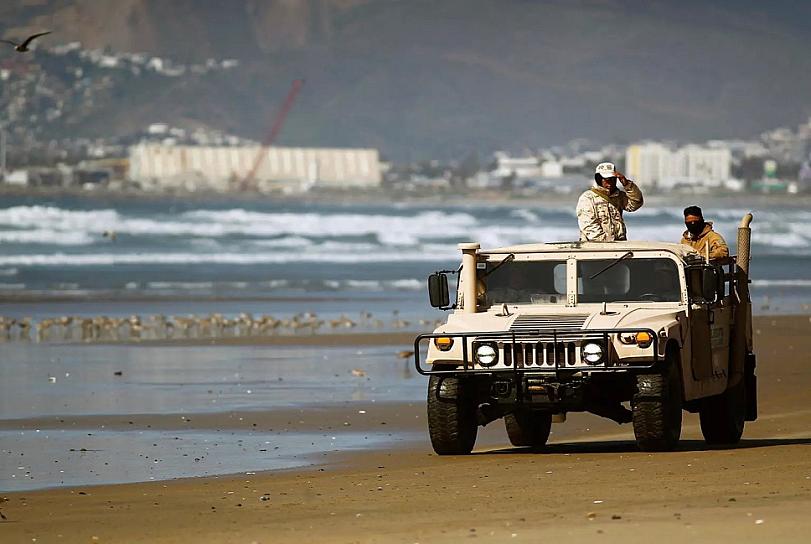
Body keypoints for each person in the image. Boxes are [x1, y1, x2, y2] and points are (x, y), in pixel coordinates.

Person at [576, 162, 644, 242]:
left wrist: (627, 184)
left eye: (613, 179)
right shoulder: (588, 198)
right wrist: (607, 243)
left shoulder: (618, 196)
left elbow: (636, 203)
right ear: (599, 179)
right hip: (595, 247)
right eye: (606, 179)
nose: (610, 183)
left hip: (618, 245)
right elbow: (589, 225)